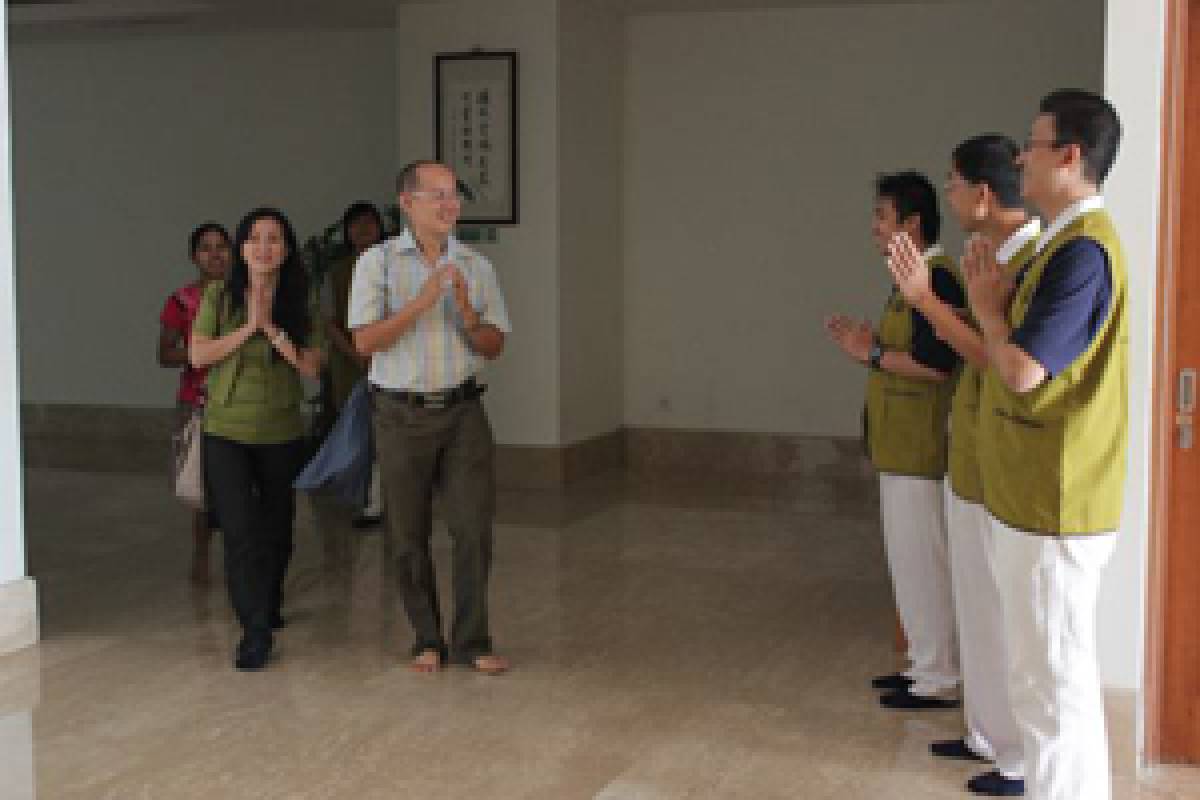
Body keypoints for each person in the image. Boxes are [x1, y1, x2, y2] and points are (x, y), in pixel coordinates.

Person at [967, 89, 1126, 800]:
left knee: (1053, 689)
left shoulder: (1082, 253)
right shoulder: (1062, 243)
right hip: (1037, 493)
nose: (1018, 158)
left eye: (1030, 145)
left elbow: (1024, 371)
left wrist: (988, 313)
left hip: (1056, 500)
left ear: (1069, 155)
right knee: (1044, 682)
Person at [887, 135, 1041, 797]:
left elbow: (992, 357)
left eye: (953, 183)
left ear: (982, 192)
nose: (949, 196)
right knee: (978, 604)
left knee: (1011, 618)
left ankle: (1016, 755)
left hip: (1009, 465)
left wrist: (927, 302)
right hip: (975, 456)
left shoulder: (1037, 257)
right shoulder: (995, 256)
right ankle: (988, 733)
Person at [349, 160, 511, 675]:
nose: (450, 205)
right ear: (407, 203)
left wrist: (466, 311)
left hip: (463, 409)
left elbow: (494, 344)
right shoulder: (377, 264)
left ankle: (473, 640)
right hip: (400, 414)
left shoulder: (477, 266)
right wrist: (419, 303)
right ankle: (426, 637)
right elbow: (365, 341)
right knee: (407, 532)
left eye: (454, 195)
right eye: (436, 195)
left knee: (473, 527)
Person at [825, 171, 964, 710]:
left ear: (912, 222)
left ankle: (939, 676)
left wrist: (873, 354)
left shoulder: (939, 279)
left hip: (922, 447)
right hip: (899, 446)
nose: (874, 229)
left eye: (882, 218)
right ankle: (923, 665)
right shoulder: (913, 279)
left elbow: (937, 362)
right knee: (908, 561)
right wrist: (870, 343)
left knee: (925, 561)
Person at [190, 207, 324, 671]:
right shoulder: (218, 298)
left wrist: (272, 329)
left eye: (275, 239)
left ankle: (268, 601)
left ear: (286, 249)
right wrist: (247, 326)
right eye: (255, 238)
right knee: (240, 531)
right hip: (224, 429)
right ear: (241, 248)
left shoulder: (302, 302)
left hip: (280, 429)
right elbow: (198, 353)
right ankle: (253, 630)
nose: (264, 247)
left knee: (276, 527)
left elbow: (311, 366)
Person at [158, 222, 232, 584]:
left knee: (236, 483)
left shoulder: (244, 297)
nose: (215, 254)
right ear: (193, 256)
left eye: (221, 246)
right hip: (198, 402)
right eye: (206, 248)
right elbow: (164, 353)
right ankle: (201, 556)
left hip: (237, 402)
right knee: (200, 484)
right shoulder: (181, 301)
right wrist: (201, 354)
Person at [324, 202, 385, 527]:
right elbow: (329, 322)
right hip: (349, 364)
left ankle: (376, 501)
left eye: (369, 224)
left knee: (382, 433)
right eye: (355, 225)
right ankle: (358, 495)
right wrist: (354, 353)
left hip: (388, 363)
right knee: (354, 431)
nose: (362, 231)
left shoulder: (394, 267)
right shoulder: (337, 272)